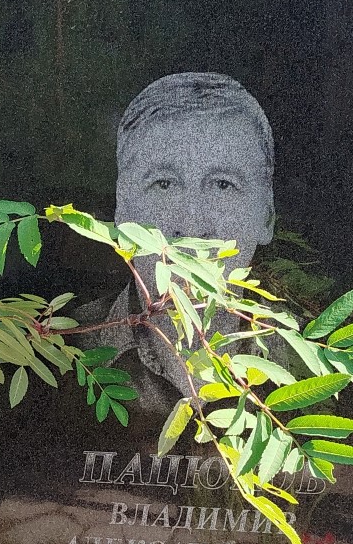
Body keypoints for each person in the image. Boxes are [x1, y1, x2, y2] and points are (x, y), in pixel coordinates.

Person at [98, 72, 276, 411]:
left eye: (223, 185)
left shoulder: (319, 368)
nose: (192, 225)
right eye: (164, 184)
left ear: (266, 215)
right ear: (122, 208)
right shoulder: (61, 358)